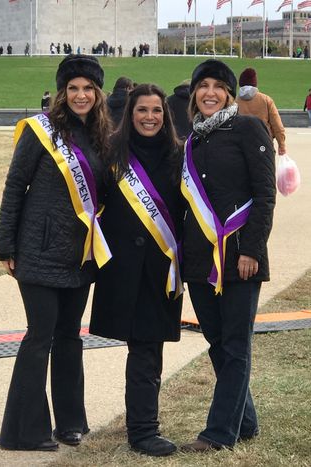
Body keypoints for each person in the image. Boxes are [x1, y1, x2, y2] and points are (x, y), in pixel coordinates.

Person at [0, 54, 112, 451]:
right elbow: (15, 187)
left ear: (98, 93)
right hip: (39, 251)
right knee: (39, 336)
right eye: (73, 88)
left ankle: (70, 423)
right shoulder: (39, 131)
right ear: (62, 93)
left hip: (79, 256)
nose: (81, 95)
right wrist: (6, 246)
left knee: (69, 337)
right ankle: (23, 431)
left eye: (88, 89)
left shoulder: (102, 136)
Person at [180, 59, 276, 452]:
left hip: (239, 259)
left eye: (219, 86)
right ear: (194, 93)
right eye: (203, 85)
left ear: (230, 94)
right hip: (202, 261)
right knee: (218, 343)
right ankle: (245, 422)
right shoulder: (192, 140)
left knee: (236, 344)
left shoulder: (249, 128)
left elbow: (265, 194)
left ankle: (219, 433)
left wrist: (252, 249)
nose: (210, 93)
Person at [89, 84, 185, 457]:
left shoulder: (179, 155)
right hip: (122, 270)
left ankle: (143, 429)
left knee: (148, 349)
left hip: (160, 270)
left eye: (156, 111)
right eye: (142, 110)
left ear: (166, 115)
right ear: (130, 115)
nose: (149, 117)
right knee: (141, 348)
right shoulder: (111, 154)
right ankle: (135, 427)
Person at [236, 67, 286, 155]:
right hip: (264, 144)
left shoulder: (234, 102)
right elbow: (277, 126)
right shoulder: (266, 100)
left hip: (240, 146)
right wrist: (281, 145)